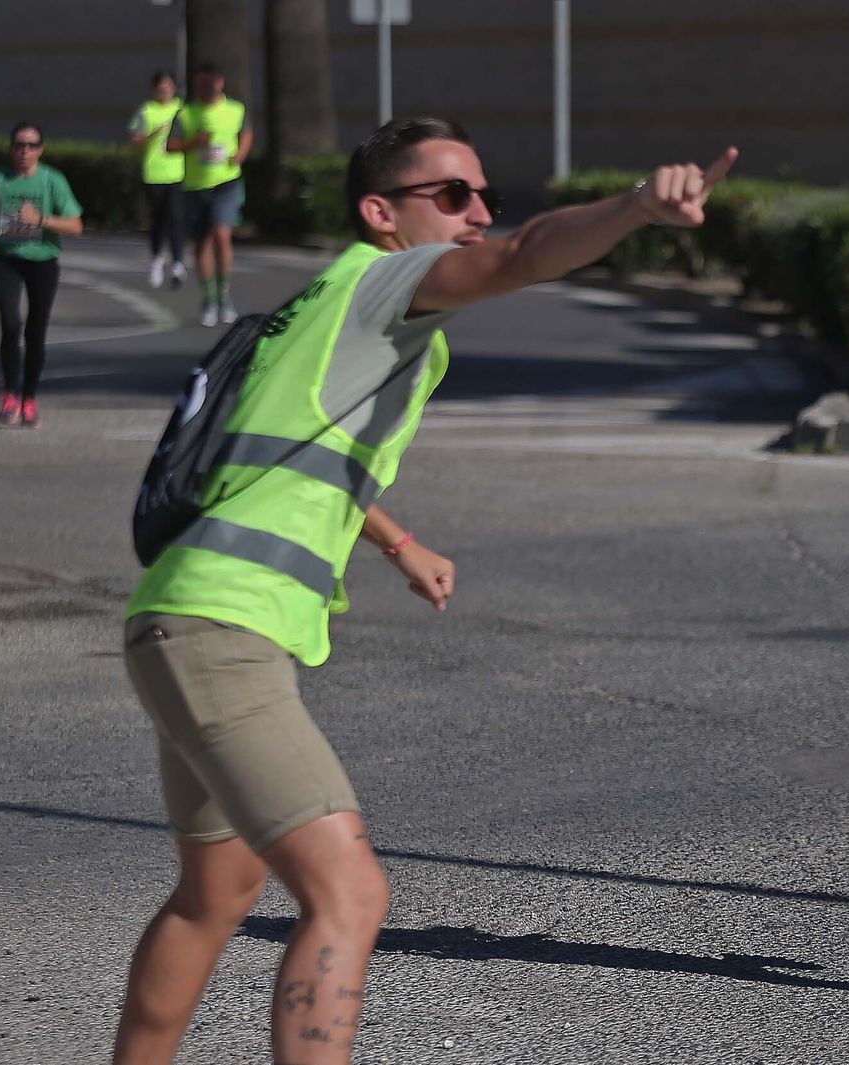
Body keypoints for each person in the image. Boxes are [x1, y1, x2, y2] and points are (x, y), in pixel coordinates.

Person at [111, 116, 737, 1065]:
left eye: (484, 194)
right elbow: (526, 255)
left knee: (216, 894)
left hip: (183, 616)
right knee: (350, 892)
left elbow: (291, 446)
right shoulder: (383, 278)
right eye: (451, 196)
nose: (479, 213)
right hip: (221, 628)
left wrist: (398, 540)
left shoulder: (324, 301)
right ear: (382, 213)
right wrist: (640, 206)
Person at [0, 121, 84, 429]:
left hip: (43, 262)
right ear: (11, 149)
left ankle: (29, 400)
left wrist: (41, 219)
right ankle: (9, 394)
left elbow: (76, 226)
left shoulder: (52, 180)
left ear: (41, 150)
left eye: (31, 145)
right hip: (5, 260)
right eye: (19, 145)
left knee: (35, 333)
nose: (25, 151)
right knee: (10, 324)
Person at [167, 62, 252, 327]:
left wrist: (240, 153)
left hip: (227, 182)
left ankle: (224, 294)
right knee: (202, 243)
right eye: (202, 83)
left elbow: (246, 133)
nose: (207, 87)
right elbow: (170, 145)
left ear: (221, 82)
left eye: (212, 82)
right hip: (195, 186)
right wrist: (193, 144)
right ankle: (209, 297)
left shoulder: (235, 109)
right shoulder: (186, 114)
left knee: (222, 233)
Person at [128, 70, 187, 289]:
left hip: (178, 173)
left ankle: (178, 263)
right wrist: (152, 134)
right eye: (160, 87)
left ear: (174, 88)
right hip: (153, 173)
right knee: (158, 220)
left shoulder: (182, 109)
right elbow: (134, 139)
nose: (164, 91)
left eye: (168, 87)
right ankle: (156, 259)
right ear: (154, 89)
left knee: (176, 218)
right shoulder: (146, 110)